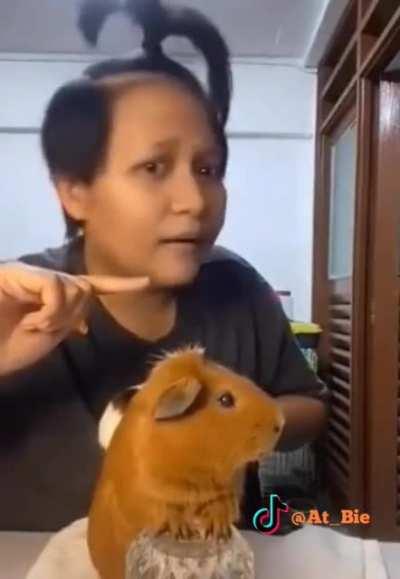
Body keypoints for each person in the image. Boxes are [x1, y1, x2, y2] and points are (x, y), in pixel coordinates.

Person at [0, 0, 329, 532]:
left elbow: (309, 405)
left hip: (213, 556)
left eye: (208, 169)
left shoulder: (239, 287)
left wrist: (235, 425)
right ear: (75, 190)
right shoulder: (17, 302)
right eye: (154, 167)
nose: (194, 201)